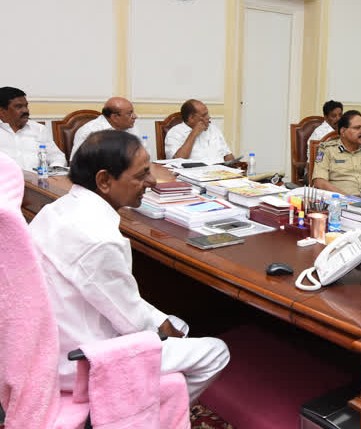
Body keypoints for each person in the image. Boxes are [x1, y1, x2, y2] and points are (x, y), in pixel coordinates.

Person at [28, 130, 230, 403]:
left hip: (48, 341)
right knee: (215, 352)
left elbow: (118, 299)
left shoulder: (58, 209)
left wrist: (161, 323)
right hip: (79, 360)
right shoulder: (100, 238)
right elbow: (133, 322)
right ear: (104, 180)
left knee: (175, 323)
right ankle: (153, 416)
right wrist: (159, 328)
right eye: (141, 175)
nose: (151, 181)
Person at [312, 110, 361, 198]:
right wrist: (348, 199)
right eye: (357, 128)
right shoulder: (328, 150)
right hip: (340, 203)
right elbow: (319, 181)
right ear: (343, 131)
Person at [0, 86, 66, 171]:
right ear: (2, 112)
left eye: (26, 106)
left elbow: (57, 157)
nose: (25, 111)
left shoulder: (39, 129)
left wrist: (53, 171)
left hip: (37, 181)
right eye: (18, 107)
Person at [165, 99, 234, 163]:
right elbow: (177, 161)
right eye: (204, 115)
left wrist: (234, 168)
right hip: (193, 174)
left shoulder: (213, 129)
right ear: (191, 118)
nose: (209, 117)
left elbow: (227, 154)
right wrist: (194, 133)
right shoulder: (175, 132)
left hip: (220, 173)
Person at [70, 97, 141, 158]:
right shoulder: (89, 131)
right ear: (115, 117)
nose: (135, 116)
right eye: (130, 114)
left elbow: (143, 153)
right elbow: (77, 163)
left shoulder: (131, 127)